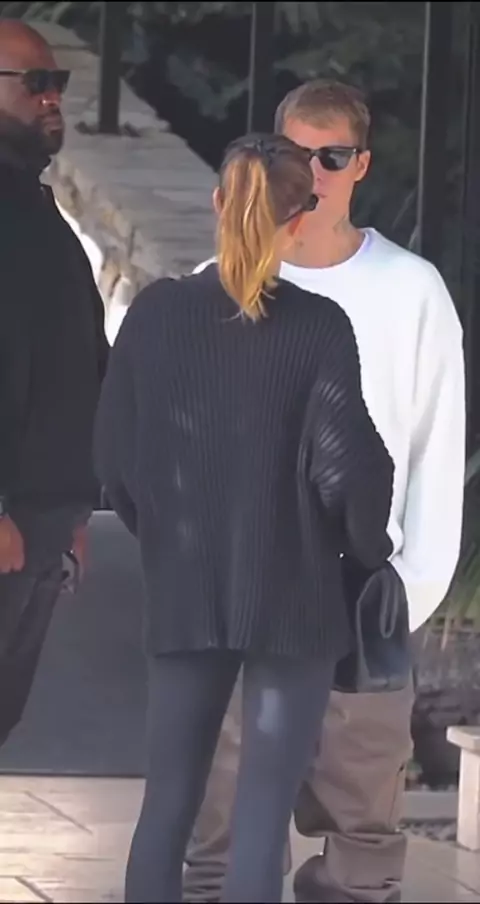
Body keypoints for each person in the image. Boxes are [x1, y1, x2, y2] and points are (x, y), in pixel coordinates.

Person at [94, 131, 395, 903]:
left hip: (185, 587)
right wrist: (369, 550)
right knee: (260, 827)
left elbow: (114, 460)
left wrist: (169, 538)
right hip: (295, 597)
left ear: (218, 202)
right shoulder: (319, 327)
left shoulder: (155, 314)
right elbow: (350, 472)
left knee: (167, 807)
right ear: (300, 219)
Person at [184, 80, 466, 904]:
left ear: (361, 165)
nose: (312, 174)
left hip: (361, 586)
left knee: (363, 824)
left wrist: (408, 589)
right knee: (224, 818)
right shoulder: (215, 283)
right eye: (296, 154)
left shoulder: (412, 290)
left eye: (332, 157)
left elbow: (434, 447)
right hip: (242, 586)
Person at [0, 20, 109, 745]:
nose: (51, 97)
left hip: (43, 516)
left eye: (57, 83)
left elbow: (74, 355)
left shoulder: (33, 206)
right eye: (35, 83)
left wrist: (75, 507)